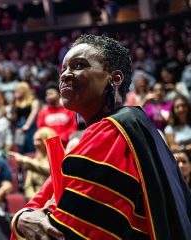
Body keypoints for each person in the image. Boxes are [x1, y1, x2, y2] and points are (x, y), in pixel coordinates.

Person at [11, 34, 191, 240]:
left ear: (114, 78)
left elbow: (66, 232)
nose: (65, 75)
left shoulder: (112, 134)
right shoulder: (126, 129)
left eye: (79, 65)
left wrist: (20, 222)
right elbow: (41, 200)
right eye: (64, 69)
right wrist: (21, 218)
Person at [8, 127, 57, 201]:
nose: (35, 143)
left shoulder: (58, 158)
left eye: (39, 140)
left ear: (47, 139)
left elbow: (51, 172)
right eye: (34, 140)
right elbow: (28, 186)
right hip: (36, 202)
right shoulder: (34, 161)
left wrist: (25, 160)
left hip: (53, 200)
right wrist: (34, 199)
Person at [36, 83, 77, 147]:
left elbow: (73, 126)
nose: (48, 96)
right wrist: (51, 138)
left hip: (67, 145)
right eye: (47, 94)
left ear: (59, 94)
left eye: (51, 93)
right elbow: (41, 129)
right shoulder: (42, 113)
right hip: (49, 145)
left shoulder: (69, 110)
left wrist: (62, 137)